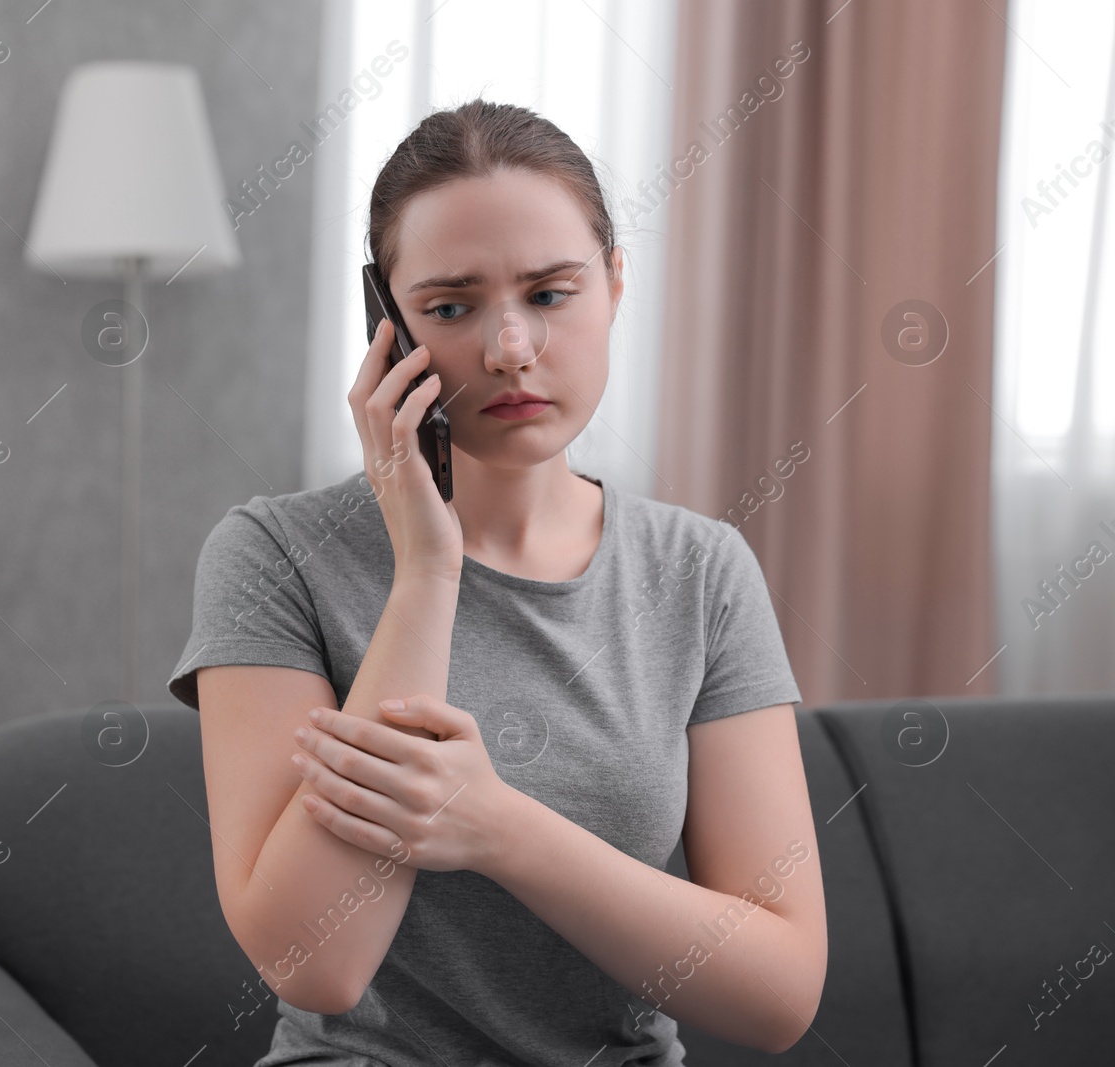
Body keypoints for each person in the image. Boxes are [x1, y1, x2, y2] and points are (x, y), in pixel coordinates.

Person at [167, 98, 827, 1067]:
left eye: (551, 294)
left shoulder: (700, 571)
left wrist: (498, 827)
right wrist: (427, 572)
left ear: (612, 285)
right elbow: (318, 963)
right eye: (450, 306)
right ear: (386, 325)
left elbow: (778, 994)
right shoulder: (272, 553)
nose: (510, 347)